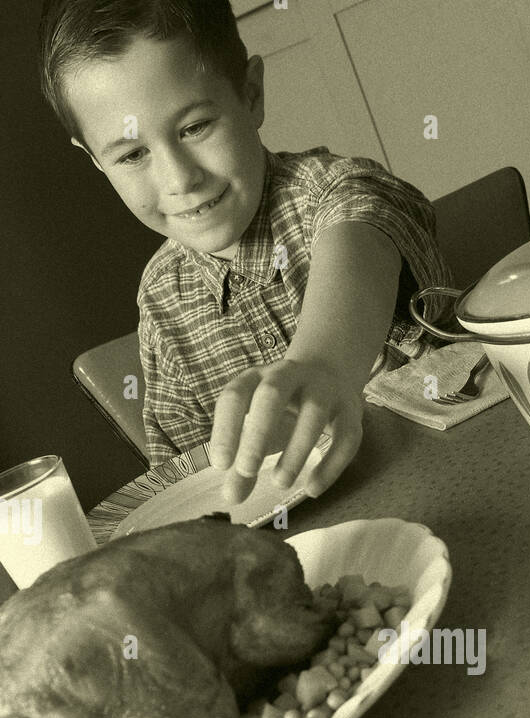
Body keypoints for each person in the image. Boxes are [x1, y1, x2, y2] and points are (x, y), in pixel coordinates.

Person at [38, 0, 451, 503]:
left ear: (250, 95)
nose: (179, 178)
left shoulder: (336, 192)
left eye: (194, 127)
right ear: (96, 162)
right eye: (131, 154)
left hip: (459, 480)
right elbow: (191, 485)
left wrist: (322, 365)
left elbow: (362, 229)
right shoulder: (160, 301)